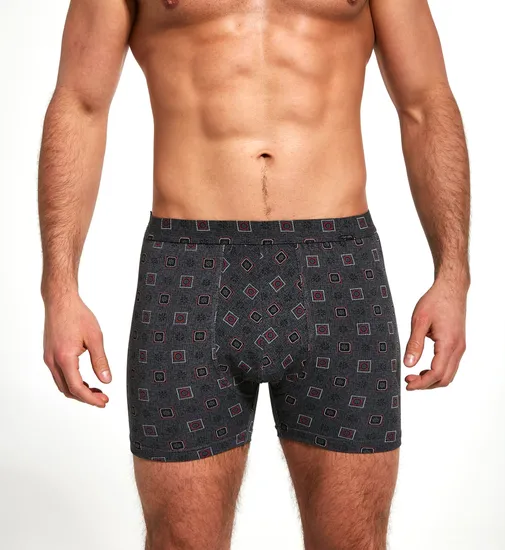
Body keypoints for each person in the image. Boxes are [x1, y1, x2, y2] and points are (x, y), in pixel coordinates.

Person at [38, 1, 470, 548]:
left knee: (354, 540)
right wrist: (59, 288)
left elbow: (426, 102)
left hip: (339, 271)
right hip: (187, 273)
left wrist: (453, 275)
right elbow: (80, 103)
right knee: (179, 542)